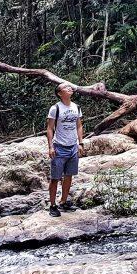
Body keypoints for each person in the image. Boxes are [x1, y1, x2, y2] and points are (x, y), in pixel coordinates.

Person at [46, 82, 84, 217]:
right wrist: (50, 147)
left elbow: (79, 125)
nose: (69, 88)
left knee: (69, 175)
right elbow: (50, 128)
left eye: (70, 87)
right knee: (55, 177)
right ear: (60, 93)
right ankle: (52, 205)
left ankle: (63, 201)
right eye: (65, 88)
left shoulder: (76, 107)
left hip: (73, 146)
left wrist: (80, 143)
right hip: (59, 147)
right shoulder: (55, 108)